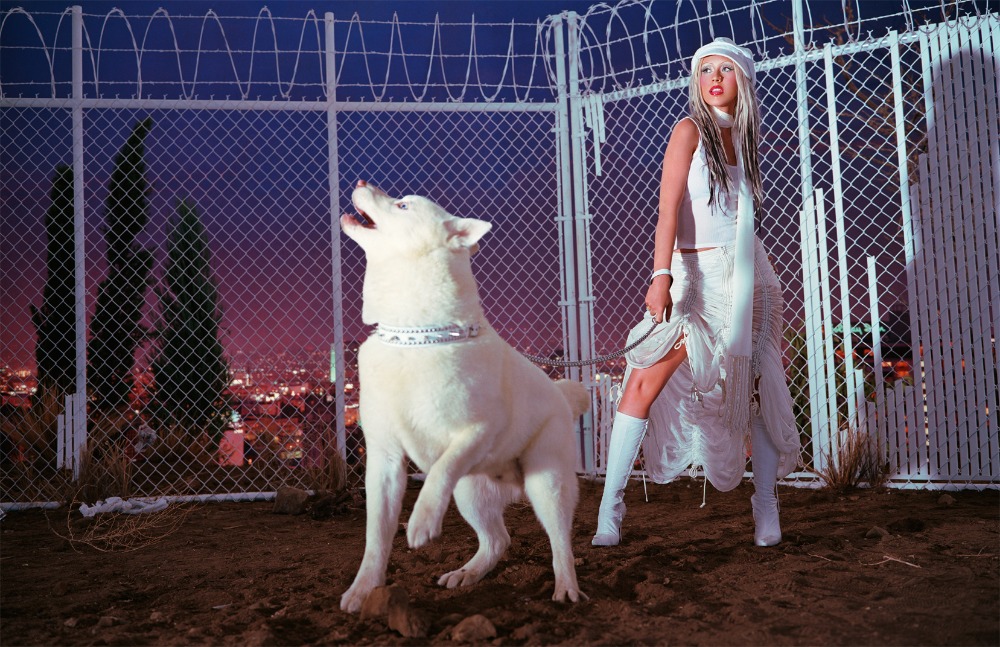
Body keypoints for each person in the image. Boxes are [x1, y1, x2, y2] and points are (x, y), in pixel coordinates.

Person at [592, 38, 802, 548]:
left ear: (742, 80)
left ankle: (766, 505)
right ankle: (610, 508)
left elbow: (741, 218)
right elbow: (667, 210)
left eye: (724, 69)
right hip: (692, 275)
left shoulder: (746, 137)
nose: (714, 78)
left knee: (757, 387)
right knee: (642, 380)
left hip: (750, 276)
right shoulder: (688, 130)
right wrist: (660, 275)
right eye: (705, 69)